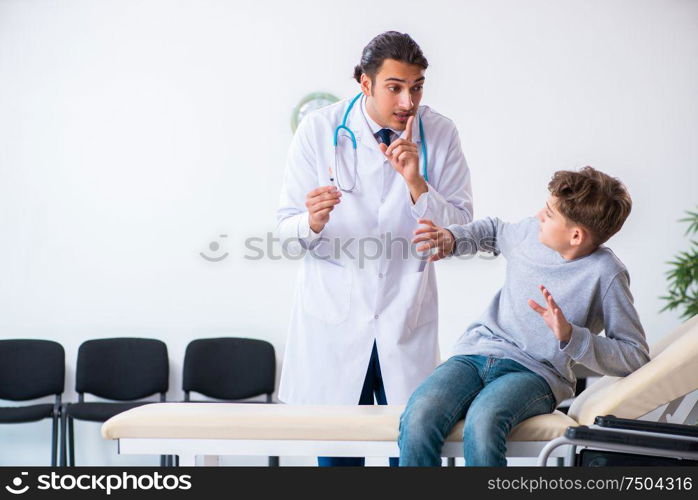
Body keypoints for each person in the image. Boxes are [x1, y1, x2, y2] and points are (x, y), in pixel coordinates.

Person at [276, 31, 473, 466]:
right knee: (338, 461)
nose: (408, 102)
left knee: (409, 455)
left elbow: (463, 228)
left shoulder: (439, 133)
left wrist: (417, 184)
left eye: (417, 87)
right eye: (395, 87)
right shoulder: (319, 130)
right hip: (334, 325)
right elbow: (284, 231)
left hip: (405, 321)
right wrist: (310, 221)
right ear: (364, 83)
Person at [398, 166, 650, 466]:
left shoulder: (606, 273)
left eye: (549, 213)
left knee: (484, 421)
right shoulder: (529, 234)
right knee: (419, 416)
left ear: (576, 235)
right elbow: (493, 230)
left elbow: (634, 356)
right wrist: (454, 239)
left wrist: (572, 337)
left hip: (535, 374)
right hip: (475, 354)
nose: (538, 215)